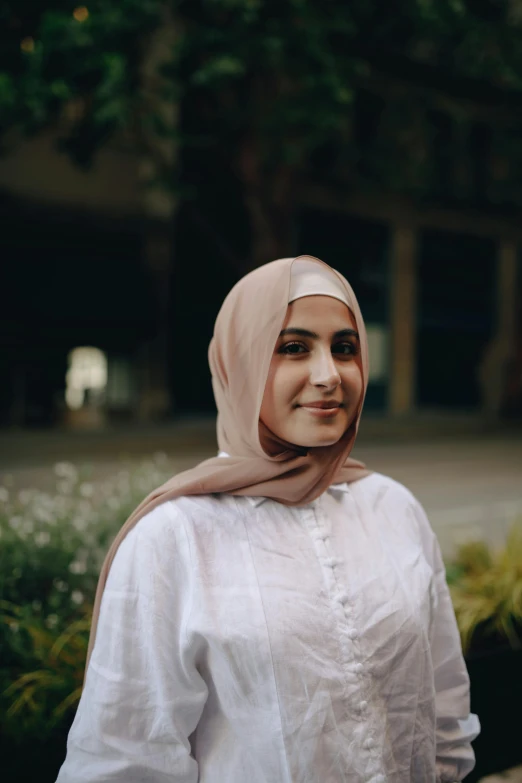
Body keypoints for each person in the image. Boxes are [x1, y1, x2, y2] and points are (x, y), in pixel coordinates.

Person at [56, 255, 479, 783]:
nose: (329, 375)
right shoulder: (175, 537)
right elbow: (126, 759)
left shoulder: (392, 508)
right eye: (294, 348)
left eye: (345, 349)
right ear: (242, 361)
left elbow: (443, 712)